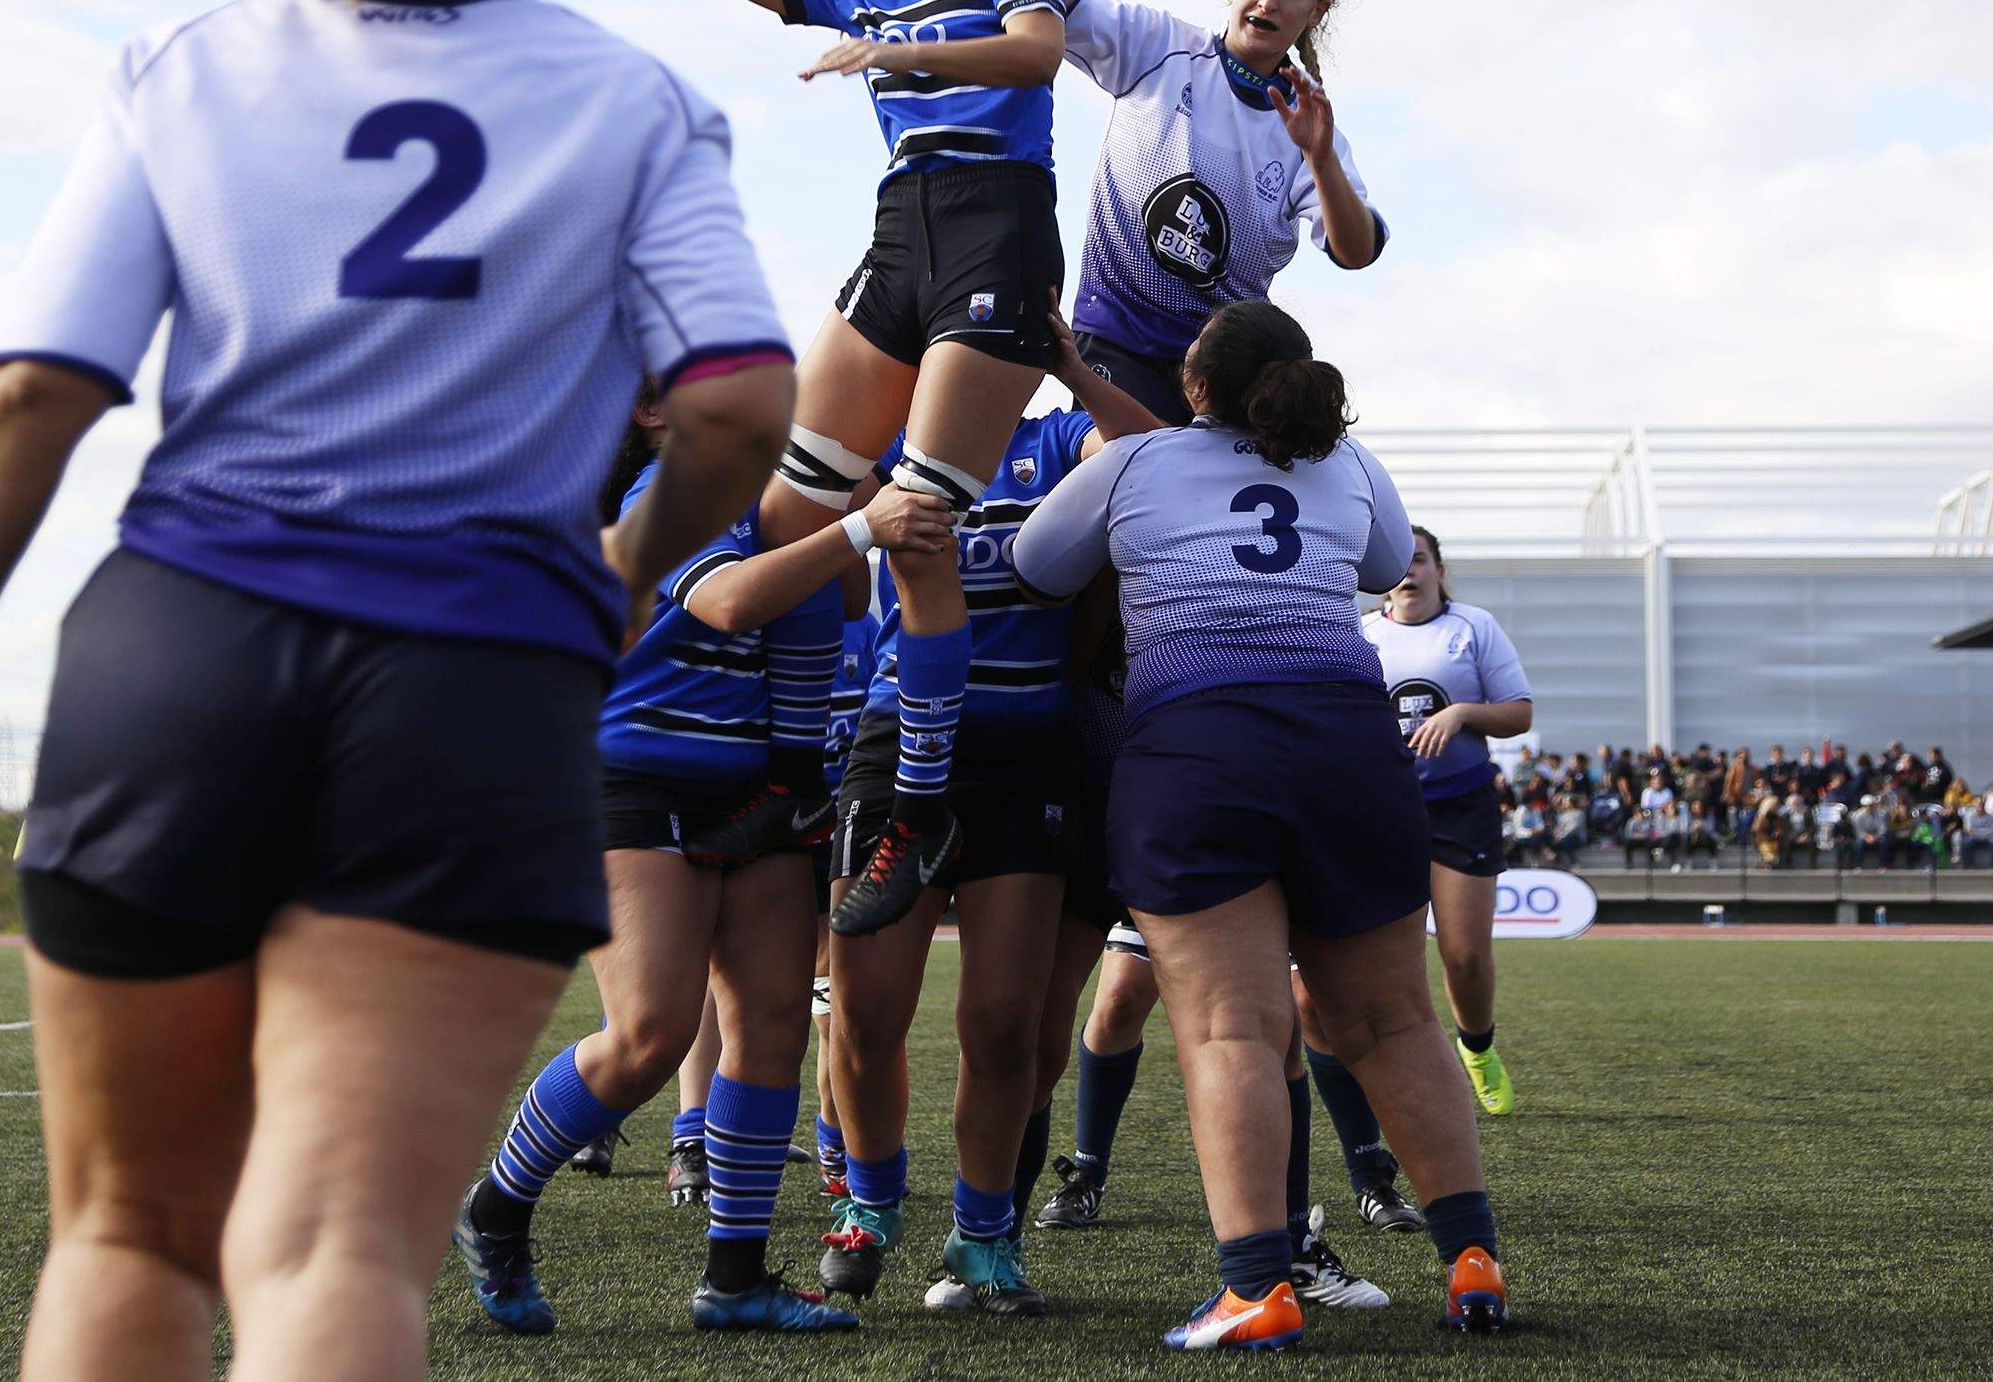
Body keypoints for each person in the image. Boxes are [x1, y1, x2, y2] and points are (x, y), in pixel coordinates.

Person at [0, 0, 796, 1382]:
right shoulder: (629, 99)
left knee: (124, 1232)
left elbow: (32, 389)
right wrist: (627, 570)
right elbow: (736, 402)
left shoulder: (188, 66)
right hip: (475, 670)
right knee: (337, 1247)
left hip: (182, 649)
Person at [535, 0, 1067, 937]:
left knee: (916, 531)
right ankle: (794, 775)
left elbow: (1035, 52)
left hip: (998, 230)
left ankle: (917, 808)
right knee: (786, 522)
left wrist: (892, 52)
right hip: (902, 232)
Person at [1013, 299, 1508, 1349]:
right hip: (1348, 748)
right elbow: (1381, 563)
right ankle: (1472, 1264)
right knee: (1397, 1022)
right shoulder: (1349, 462)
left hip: (1198, 752)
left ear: (1193, 386)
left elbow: (1034, 564)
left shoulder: (1133, 464)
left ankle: (1255, 1288)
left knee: (1229, 1029)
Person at [452, 399, 946, 1337]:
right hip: (634, 779)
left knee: (771, 1026)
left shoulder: (764, 491)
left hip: (761, 789)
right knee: (650, 1033)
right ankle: (497, 1205)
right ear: (651, 410)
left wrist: (839, 494)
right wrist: (860, 524)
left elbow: (845, 601)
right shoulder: (669, 487)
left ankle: (735, 1280)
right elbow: (727, 601)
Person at [818, 402, 1097, 1315]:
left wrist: (1070, 364)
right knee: (864, 1012)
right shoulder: (895, 441)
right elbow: (806, 474)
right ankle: (870, 1201)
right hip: (896, 738)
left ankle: (984, 1236)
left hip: (1024, 753)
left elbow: (1143, 454)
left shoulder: (1062, 437)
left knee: (1006, 1023)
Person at [1054, 0, 1383, 419]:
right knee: (1130, 463)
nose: (1268, 1)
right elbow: (1045, 1)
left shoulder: (1311, 125)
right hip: (1119, 337)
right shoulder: (1159, 46)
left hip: (1227, 368)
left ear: (1318, 11)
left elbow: (1357, 252)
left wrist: (1321, 161)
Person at [1362, 528, 1532, 1118]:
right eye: (1399, 562)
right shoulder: (1359, 632)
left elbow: (1519, 714)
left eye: (1419, 559)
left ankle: (1478, 1049)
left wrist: (1460, 713)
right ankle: (1393, 1072)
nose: (1409, 572)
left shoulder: (1473, 627)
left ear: (1439, 569)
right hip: (1383, 811)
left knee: (1465, 956)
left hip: (1461, 805)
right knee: (1387, 961)